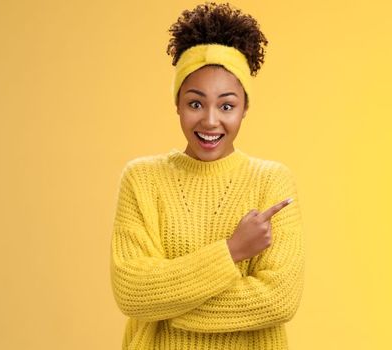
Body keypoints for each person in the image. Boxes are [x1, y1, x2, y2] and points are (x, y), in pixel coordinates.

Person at [109, 2, 305, 349]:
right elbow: (132, 291)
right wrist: (232, 251)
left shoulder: (271, 182)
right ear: (177, 104)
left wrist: (167, 305)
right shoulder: (142, 179)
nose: (210, 121)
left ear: (245, 107)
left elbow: (279, 300)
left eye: (226, 105)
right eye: (195, 103)